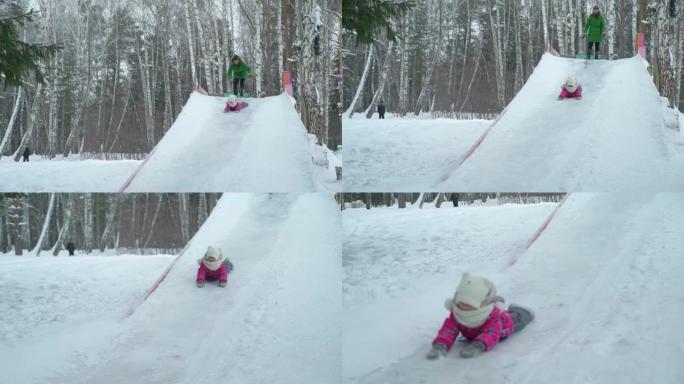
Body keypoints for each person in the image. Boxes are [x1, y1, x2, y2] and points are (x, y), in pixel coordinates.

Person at [426, 273, 534, 359]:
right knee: (499, 309)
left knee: (514, 319)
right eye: (460, 302)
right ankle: (497, 300)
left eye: (469, 304)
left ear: (481, 305)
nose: (463, 307)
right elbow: (449, 329)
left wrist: (479, 345)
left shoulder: (492, 315)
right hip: (476, 330)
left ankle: (523, 312)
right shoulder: (457, 312)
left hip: (503, 326)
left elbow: (492, 333)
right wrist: (441, 344)